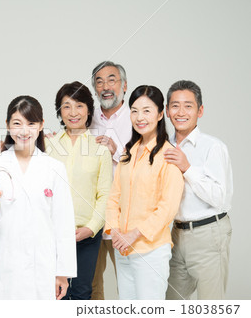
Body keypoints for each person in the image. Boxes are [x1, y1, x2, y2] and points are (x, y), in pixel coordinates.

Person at [0, 96, 77, 299]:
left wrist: (62, 273)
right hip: (5, 263)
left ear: (41, 126)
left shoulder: (54, 168)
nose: (24, 131)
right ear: (8, 126)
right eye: (17, 123)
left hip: (42, 266)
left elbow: (63, 223)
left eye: (31, 123)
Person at [104, 85, 184, 300]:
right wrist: (116, 231)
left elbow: (167, 208)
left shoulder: (169, 155)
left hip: (151, 251)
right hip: (123, 249)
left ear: (160, 114)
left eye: (147, 110)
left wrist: (133, 234)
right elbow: (114, 197)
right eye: (134, 110)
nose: (140, 117)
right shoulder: (128, 153)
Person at [164, 80, 233, 300]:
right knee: (171, 302)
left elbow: (220, 198)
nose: (181, 112)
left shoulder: (213, 147)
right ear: (166, 111)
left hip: (208, 234)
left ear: (200, 110)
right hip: (175, 235)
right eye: (175, 105)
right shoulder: (163, 146)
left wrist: (187, 168)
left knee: (210, 305)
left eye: (188, 106)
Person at [46, 81, 112, 299]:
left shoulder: (100, 148)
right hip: (52, 234)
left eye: (79, 105)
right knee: (53, 294)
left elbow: (104, 195)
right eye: (66, 106)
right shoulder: (47, 146)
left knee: (82, 293)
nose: (73, 112)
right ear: (59, 111)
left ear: (89, 110)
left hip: (86, 235)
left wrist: (91, 228)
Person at [90, 61, 132, 300]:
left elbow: (146, 163)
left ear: (124, 85)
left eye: (112, 80)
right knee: (92, 286)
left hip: (125, 216)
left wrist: (117, 151)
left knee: (128, 285)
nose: (106, 86)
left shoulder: (136, 117)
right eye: (99, 81)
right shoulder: (85, 117)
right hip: (93, 215)